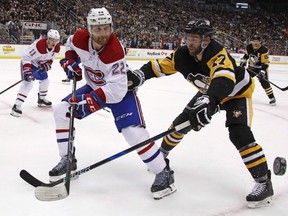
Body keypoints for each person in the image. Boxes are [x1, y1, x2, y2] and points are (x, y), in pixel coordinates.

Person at [127, 19, 274, 208]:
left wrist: (209, 102)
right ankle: (161, 156)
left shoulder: (217, 52)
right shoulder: (182, 55)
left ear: (207, 40)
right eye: (188, 38)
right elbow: (158, 66)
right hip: (210, 93)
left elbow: (224, 80)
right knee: (180, 124)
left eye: (195, 38)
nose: (190, 43)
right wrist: (140, 75)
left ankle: (263, 182)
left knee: (239, 133)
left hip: (237, 92)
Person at [49, 7, 175, 200]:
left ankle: (163, 172)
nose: (103, 34)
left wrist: (87, 101)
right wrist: (70, 61)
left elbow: (115, 92)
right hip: (95, 87)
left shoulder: (114, 51)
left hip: (120, 92)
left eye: (106, 28)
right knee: (61, 111)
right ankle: (67, 159)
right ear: (90, 29)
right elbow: (70, 45)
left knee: (132, 131)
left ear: (111, 27)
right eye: (98, 29)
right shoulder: (80, 38)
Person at [10, 29, 61, 117]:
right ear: (48, 39)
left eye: (56, 40)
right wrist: (28, 72)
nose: (54, 42)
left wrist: (47, 65)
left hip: (39, 65)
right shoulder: (39, 45)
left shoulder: (57, 48)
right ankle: (16, 105)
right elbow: (26, 57)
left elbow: (50, 59)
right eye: (52, 40)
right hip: (29, 63)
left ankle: (41, 99)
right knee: (28, 84)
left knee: (45, 81)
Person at [240, 35, 276, 106]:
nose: (255, 43)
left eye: (257, 41)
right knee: (242, 79)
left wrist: (262, 71)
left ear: (260, 42)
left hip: (260, 68)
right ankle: (239, 94)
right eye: (254, 41)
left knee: (264, 83)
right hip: (251, 68)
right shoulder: (249, 47)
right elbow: (246, 56)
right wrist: (243, 63)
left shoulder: (264, 50)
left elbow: (265, 63)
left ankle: (272, 98)